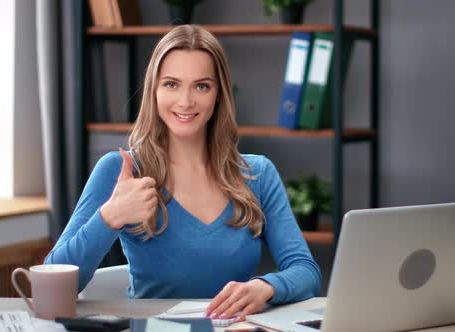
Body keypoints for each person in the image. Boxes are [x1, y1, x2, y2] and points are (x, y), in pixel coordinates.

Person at [45, 24, 321, 321]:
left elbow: (306, 271)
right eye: (171, 84)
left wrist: (266, 286)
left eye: (201, 86)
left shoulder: (258, 174)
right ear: (154, 90)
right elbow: (51, 286)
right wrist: (109, 218)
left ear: (218, 94)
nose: (185, 101)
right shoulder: (121, 170)